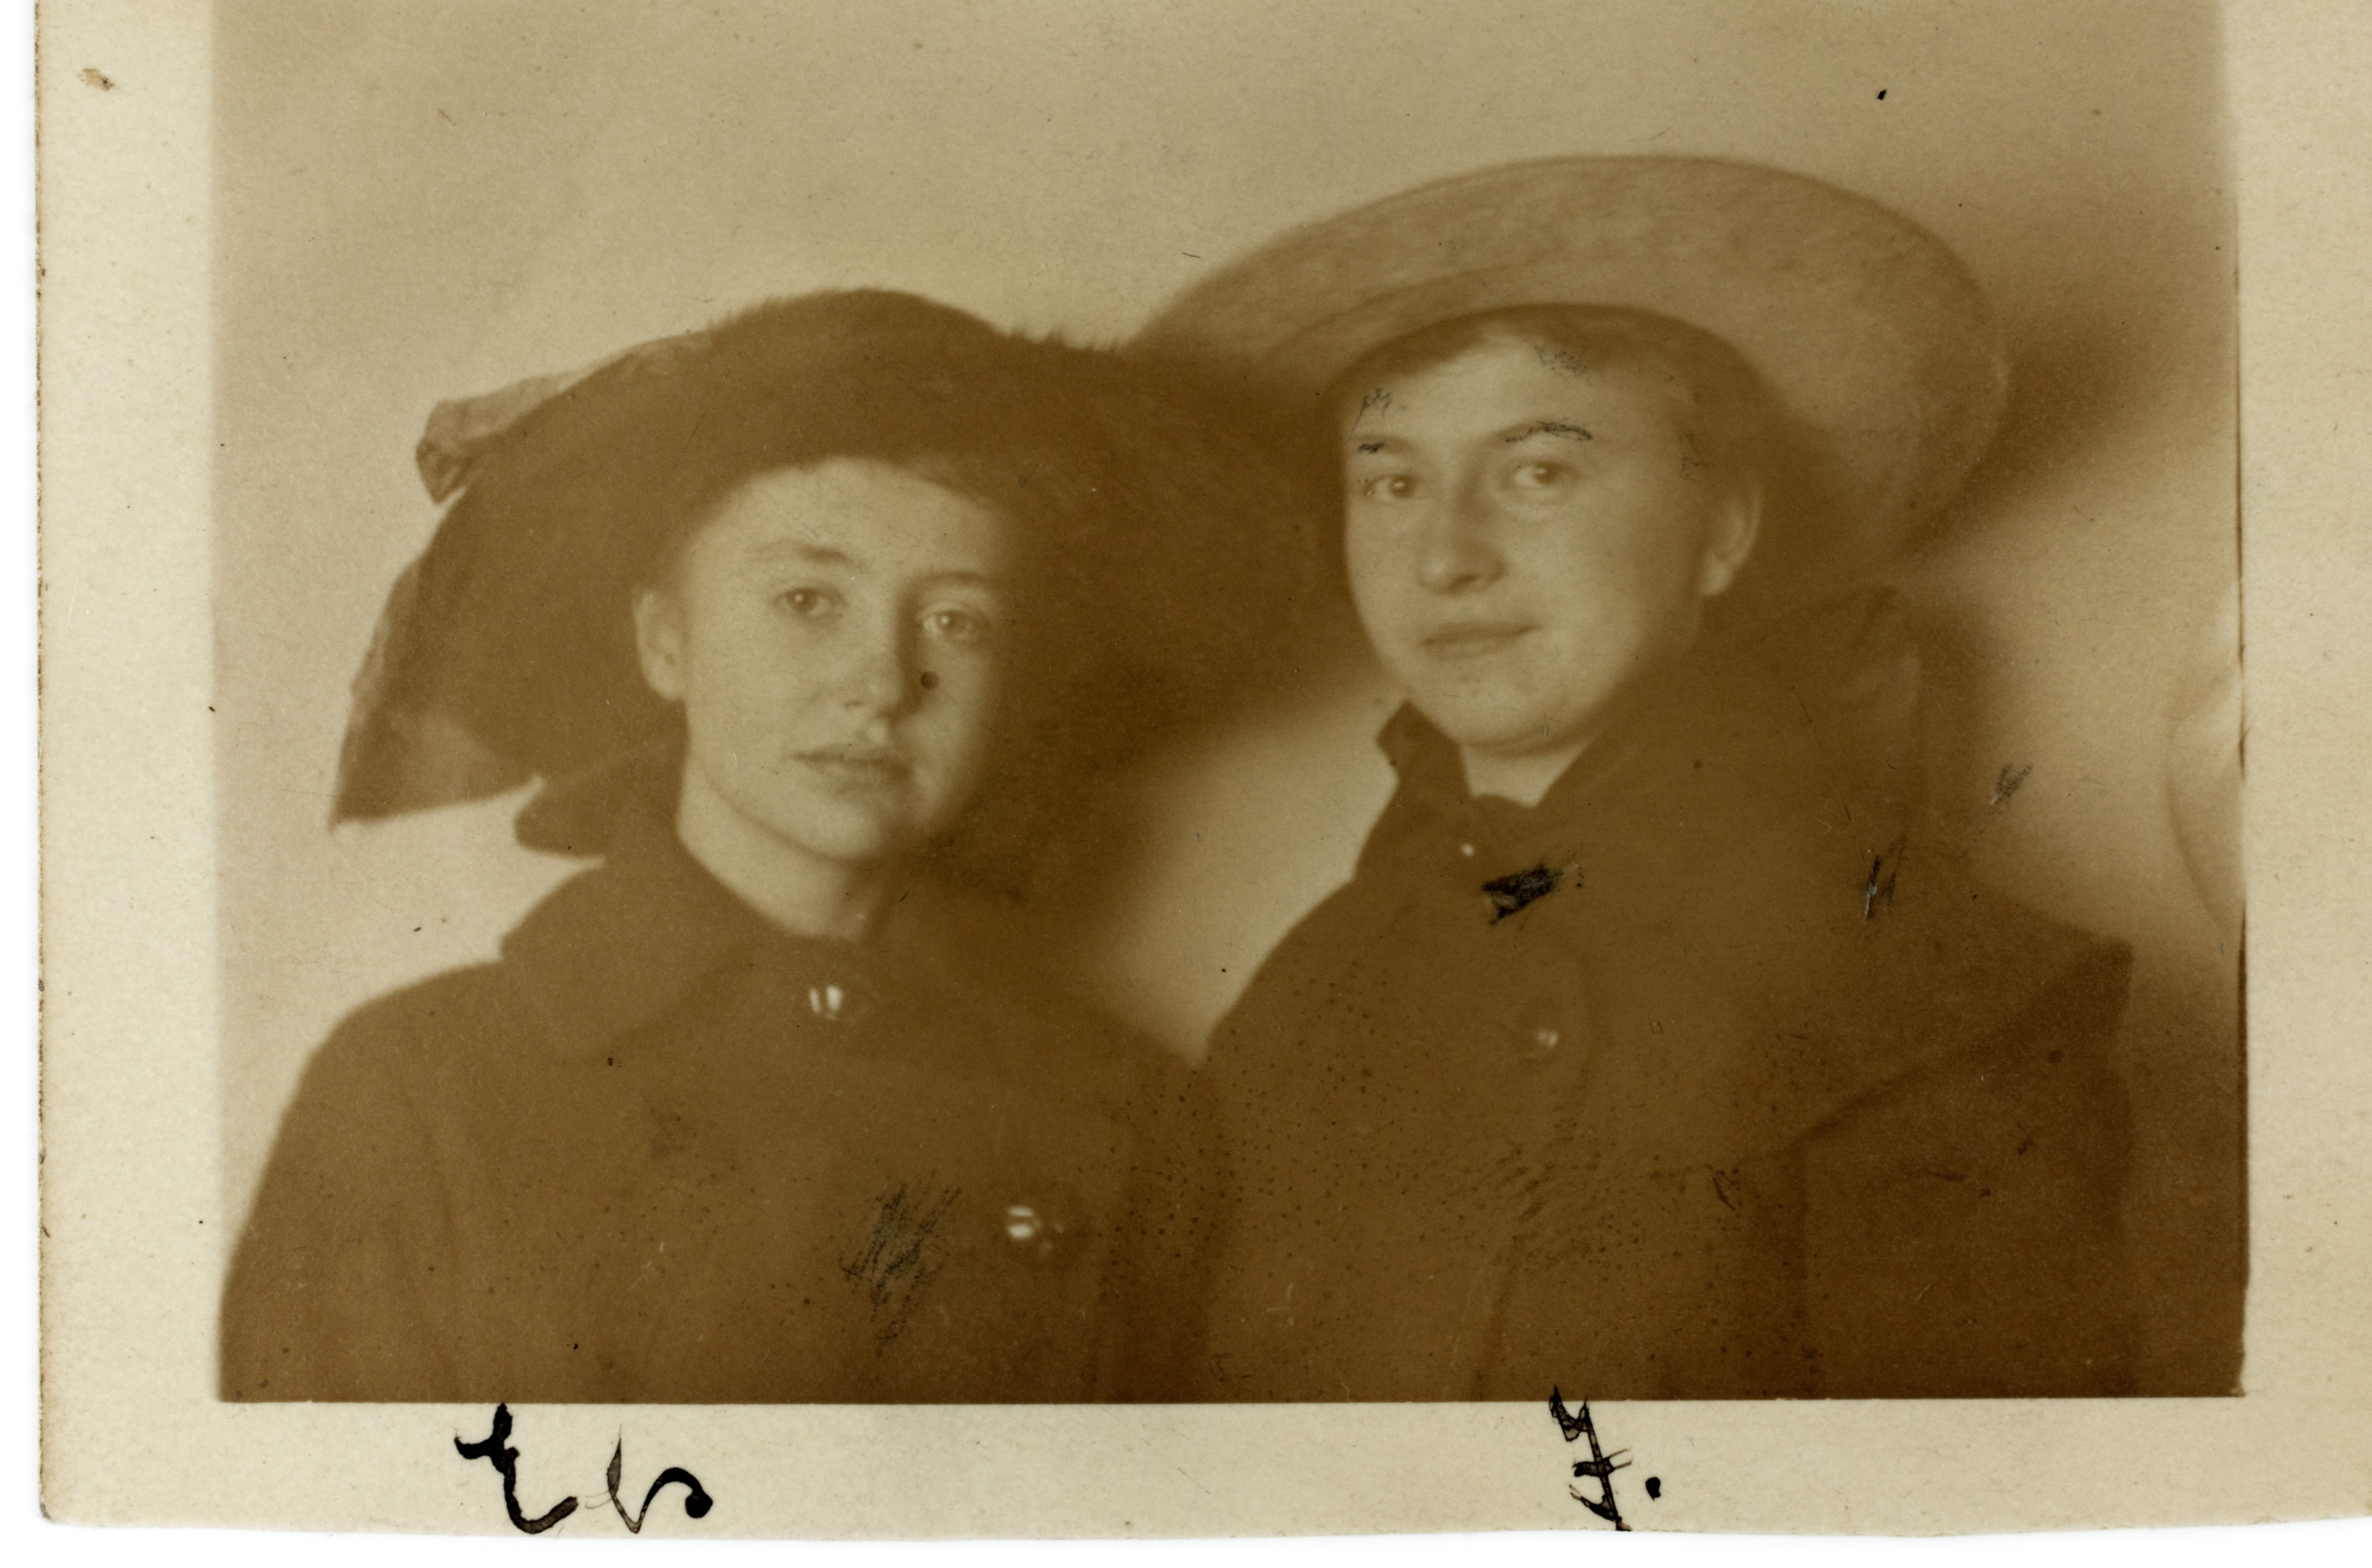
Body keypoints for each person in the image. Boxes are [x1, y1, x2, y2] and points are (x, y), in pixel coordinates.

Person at [1137, 156, 2150, 1401]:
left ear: (1720, 531)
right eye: (1392, 481)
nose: (1444, 555)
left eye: (1538, 470)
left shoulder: (1932, 984)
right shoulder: (1309, 991)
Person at [223, 290, 1293, 1403]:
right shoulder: (418, 1092)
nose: (883, 683)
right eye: (807, 599)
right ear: (666, 641)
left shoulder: (1134, 1116)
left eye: (958, 620)